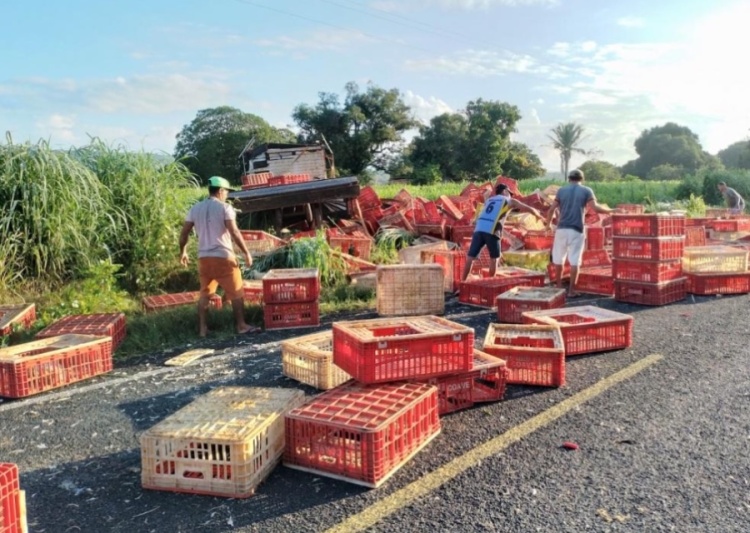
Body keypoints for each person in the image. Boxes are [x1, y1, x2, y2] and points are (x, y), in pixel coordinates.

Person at [178, 176, 257, 337]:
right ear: (220, 191)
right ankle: (241, 325)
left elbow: (184, 233)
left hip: (204, 258)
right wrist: (246, 252)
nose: (227, 195)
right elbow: (234, 232)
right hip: (223, 256)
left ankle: (202, 329)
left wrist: (183, 251)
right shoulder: (225, 208)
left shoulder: (195, 208)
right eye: (227, 191)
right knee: (236, 291)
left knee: (205, 294)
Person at [545, 169, 616, 298]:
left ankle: (559, 287)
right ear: (582, 179)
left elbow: (551, 210)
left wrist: (548, 225)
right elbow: (595, 208)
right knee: (574, 261)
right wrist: (611, 211)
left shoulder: (561, 191)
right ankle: (572, 290)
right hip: (576, 230)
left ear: (569, 179)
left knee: (559, 259)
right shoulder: (586, 190)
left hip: (561, 229)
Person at [459, 183, 543, 283]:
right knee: (494, 258)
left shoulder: (490, 200)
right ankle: (490, 283)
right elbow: (529, 208)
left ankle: (463, 282)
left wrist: (486, 195)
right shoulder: (508, 200)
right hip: (492, 229)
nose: (511, 195)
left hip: (479, 228)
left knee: (470, 257)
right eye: (509, 193)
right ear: (504, 191)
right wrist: (539, 216)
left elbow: (488, 206)